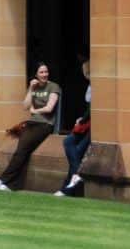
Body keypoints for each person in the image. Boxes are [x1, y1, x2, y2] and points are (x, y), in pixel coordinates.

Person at [0, 62, 61, 192]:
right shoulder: (34, 87)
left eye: (46, 72)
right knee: (23, 150)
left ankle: (2, 179)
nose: (44, 75)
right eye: (41, 72)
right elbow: (25, 106)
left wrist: (36, 111)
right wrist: (31, 90)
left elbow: (49, 108)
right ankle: (10, 184)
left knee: (22, 149)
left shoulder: (53, 87)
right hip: (32, 123)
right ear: (36, 75)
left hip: (45, 124)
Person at [56, 59, 91, 196]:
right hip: (87, 123)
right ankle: (70, 184)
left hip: (92, 127)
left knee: (72, 147)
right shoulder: (90, 85)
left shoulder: (96, 85)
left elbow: (94, 109)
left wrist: (81, 120)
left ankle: (67, 188)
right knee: (73, 149)